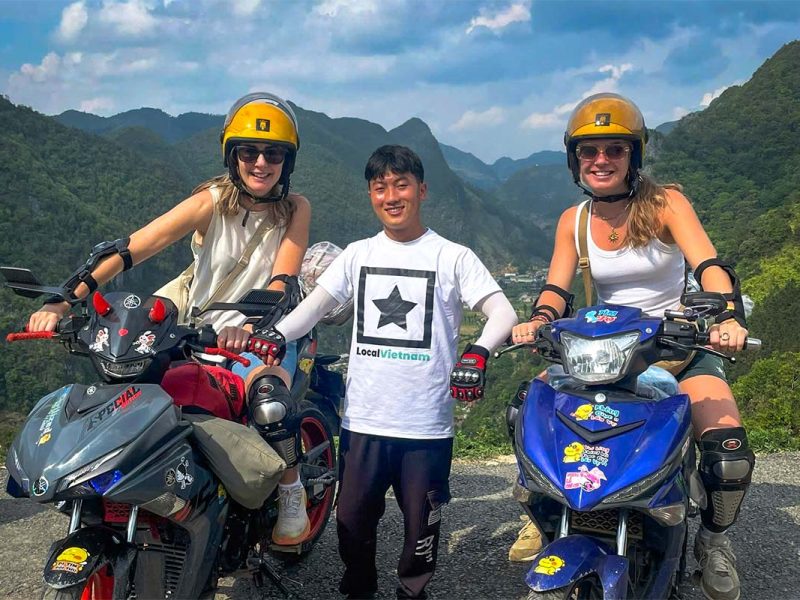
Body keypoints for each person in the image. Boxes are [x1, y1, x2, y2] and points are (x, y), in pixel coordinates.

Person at [26, 92, 313, 545]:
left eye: (273, 152)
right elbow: (130, 250)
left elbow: (283, 279)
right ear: (231, 155)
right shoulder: (211, 201)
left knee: (270, 400)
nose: (261, 162)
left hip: (259, 332)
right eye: (249, 151)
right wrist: (63, 301)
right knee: (129, 395)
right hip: (190, 326)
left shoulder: (295, 208)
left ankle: (292, 492)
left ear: (287, 160)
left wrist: (251, 327)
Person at [510, 92, 754, 600]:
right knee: (526, 415)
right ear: (574, 158)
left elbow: (709, 267)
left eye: (614, 150)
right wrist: (539, 320)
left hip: (678, 344)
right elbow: (557, 290)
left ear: (633, 155)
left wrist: (725, 314)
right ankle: (548, 511)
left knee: (726, 452)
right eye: (588, 150)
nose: (601, 160)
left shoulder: (666, 204)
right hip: (604, 350)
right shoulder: (573, 222)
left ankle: (712, 542)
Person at [246, 145, 518, 599]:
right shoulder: (358, 254)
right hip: (364, 422)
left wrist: (477, 353)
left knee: (421, 528)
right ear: (371, 195)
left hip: (426, 426)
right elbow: (313, 310)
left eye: (401, 184)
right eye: (380, 187)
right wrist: (275, 335)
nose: (391, 195)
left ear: (422, 190)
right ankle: (359, 590)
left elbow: (503, 313)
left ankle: (412, 593)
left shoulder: (453, 257)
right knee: (351, 521)